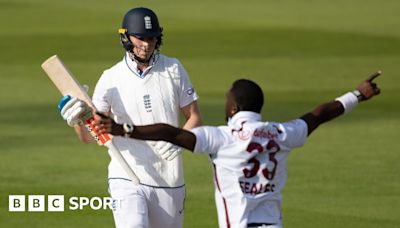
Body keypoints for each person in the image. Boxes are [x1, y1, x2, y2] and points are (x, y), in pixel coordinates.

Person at [90, 72, 381, 228]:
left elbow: (170, 132)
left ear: (233, 107)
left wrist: (123, 129)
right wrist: (357, 95)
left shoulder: (222, 137)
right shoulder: (283, 133)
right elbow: (319, 114)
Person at [59, 7, 202, 228]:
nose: (146, 44)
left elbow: (194, 117)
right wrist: (78, 121)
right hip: (126, 175)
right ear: (125, 37)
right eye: (140, 38)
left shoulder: (173, 68)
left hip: (169, 179)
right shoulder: (110, 78)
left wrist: (180, 139)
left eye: (152, 38)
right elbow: (92, 136)